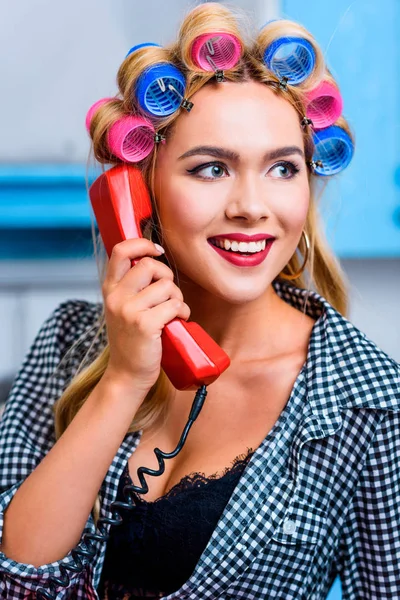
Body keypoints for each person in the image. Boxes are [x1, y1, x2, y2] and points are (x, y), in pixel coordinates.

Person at [0, 3, 399, 599]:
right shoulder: (67, 342)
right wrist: (125, 380)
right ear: (140, 188)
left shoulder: (369, 402)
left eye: (281, 169)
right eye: (211, 168)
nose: (251, 206)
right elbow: (15, 582)